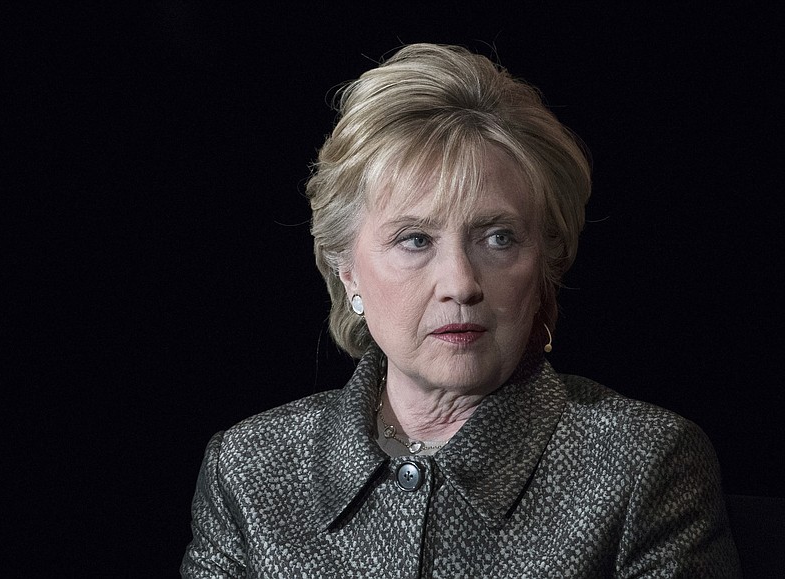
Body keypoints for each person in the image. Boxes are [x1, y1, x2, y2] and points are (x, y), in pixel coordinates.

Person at [182, 43, 740, 577]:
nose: (461, 284)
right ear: (347, 269)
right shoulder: (252, 466)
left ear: (545, 261)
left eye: (497, 238)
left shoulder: (645, 464)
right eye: (415, 240)